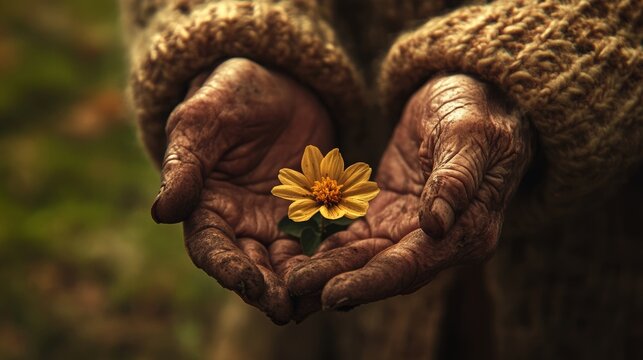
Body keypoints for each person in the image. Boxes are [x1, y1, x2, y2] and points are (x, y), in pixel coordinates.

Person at [120, 0, 642, 358]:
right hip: (319, 300)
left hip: (605, 258)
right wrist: (235, 33)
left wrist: (532, 70)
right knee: (298, 289)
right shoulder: (313, 201)